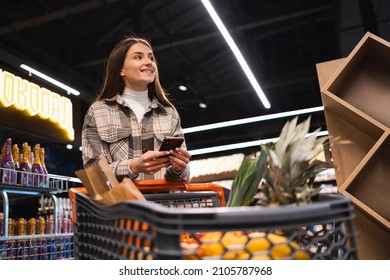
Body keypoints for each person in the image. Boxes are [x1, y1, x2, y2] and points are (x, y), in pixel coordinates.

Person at [81, 36, 191, 182]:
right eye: (138, 57)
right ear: (121, 69)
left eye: (151, 58)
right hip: (120, 204)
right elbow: (93, 174)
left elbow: (183, 177)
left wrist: (179, 168)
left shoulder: (168, 114)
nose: (148, 62)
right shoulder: (98, 112)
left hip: (162, 203)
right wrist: (132, 167)